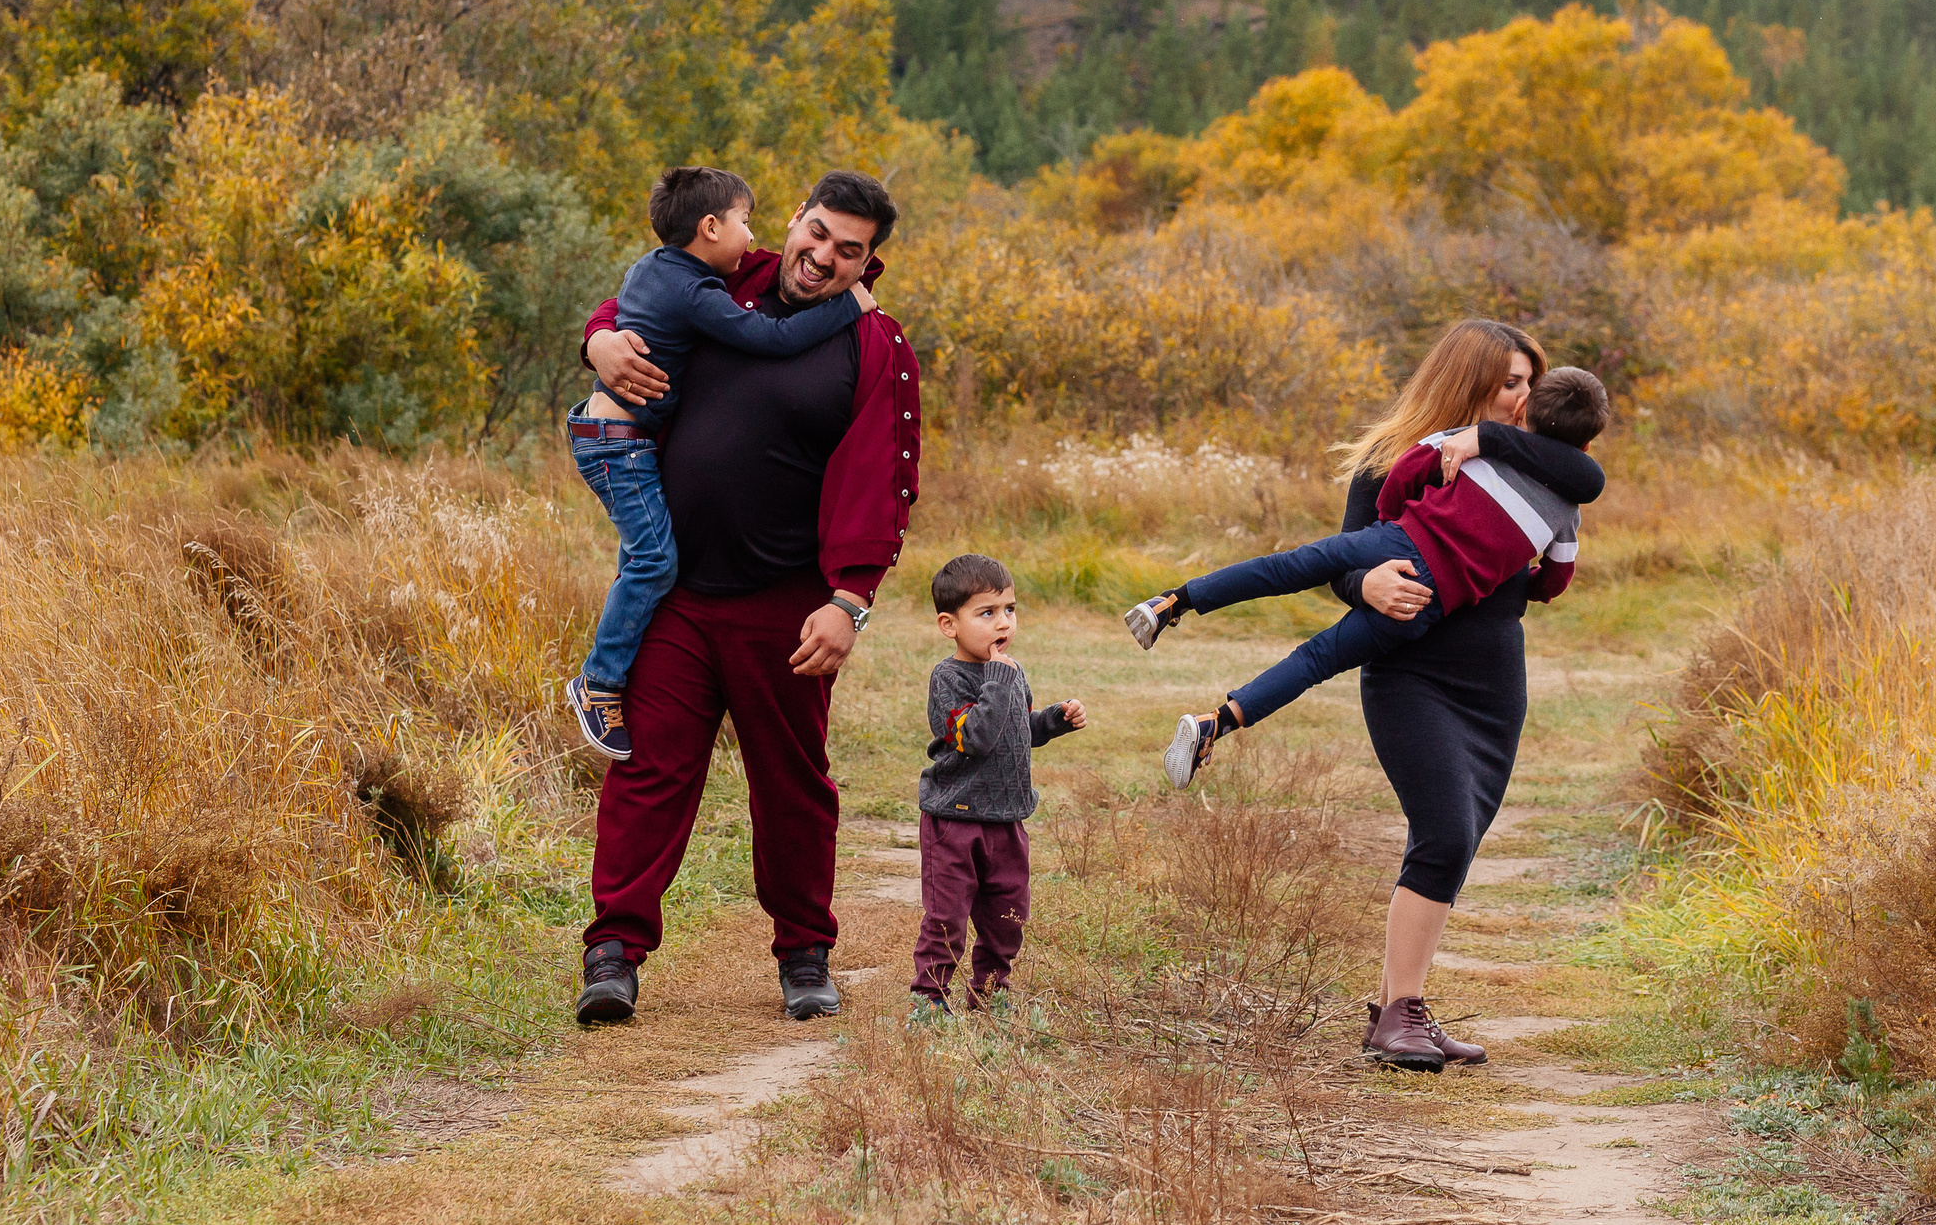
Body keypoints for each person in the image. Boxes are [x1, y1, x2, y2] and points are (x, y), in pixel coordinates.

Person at [568, 171, 921, 1028]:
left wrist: (850, 600)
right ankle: (613, 953)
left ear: (868, 262)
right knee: (648, 771)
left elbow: (886, 479)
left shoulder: (875, 345)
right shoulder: (726, 279)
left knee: (793, 784)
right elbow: (641, 297)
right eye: (819, 231)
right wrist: (599, 341)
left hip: (787, 603)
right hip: (678, 590)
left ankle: (805, 953)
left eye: (850, 249)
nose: (824, 256)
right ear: (796, 217)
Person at [1234, 320, 1601, 1073]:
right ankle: (1399, 1014)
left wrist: (1499, 448)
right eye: (1509, 382)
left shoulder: (1539, 460)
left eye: (1531, 382)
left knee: (1459, 835)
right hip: (1410, 670)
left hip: (1495, 678)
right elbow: (1343, 555)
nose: (1525, 397)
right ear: (1466, 381)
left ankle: (1404, 1007)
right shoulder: (1392, 460)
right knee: (1442, 824)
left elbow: (1566, 534)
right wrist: (1364, 581)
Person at [1129, 368, 1610, 785]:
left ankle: (1174, 602)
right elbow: (1556, 579)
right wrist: (1508, 579)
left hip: (1393, 542)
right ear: (1588, 443)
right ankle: (1215, 723)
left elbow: (1409, 467)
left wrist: (1391, 522)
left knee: (1285, 567)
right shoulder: (1566, 514)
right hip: (1427, 598)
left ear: (1524, 410)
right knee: (1317, 660)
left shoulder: (1476, 443)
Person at [563, 166, 877, 760]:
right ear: (711, 227)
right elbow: (769, 338)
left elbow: (628, 304)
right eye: (744, 222)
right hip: (618, 441)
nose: (749, 235)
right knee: (654, 562)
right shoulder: (704, 288)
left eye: (849, 251)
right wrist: (849, 308)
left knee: (645, 555)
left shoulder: (659, 267)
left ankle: (605, 675)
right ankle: (598, 682)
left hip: (609, 433)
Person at [910, 554, 1087, 1019]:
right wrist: (1000, 678)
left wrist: (1052, 721)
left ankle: (990, 993)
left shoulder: (1008, 671)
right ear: (949, 624)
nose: (1002, 622)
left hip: (1007, 819)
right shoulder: (948, 679)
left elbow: (1014, 729)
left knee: (1008, 917)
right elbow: (978, 737)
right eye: (986, 613)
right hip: (954, 821)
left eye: (1009, 609)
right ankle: (929, 1000)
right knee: (947, 918)